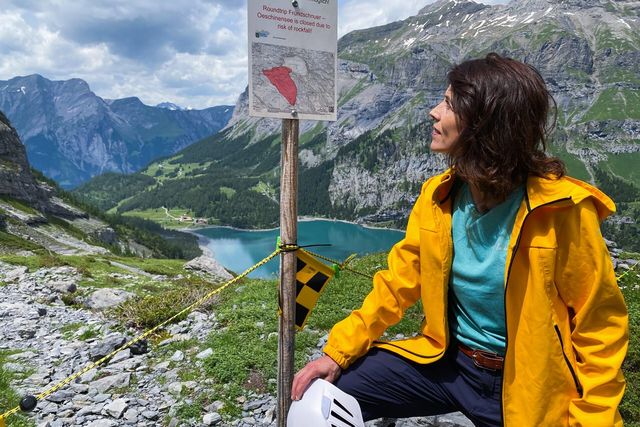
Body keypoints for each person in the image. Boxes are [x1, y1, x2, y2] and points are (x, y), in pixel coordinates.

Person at [291, 53, 629, 426]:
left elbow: (599, 325)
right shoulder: (438, 196)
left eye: (449, 104)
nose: (433, 113)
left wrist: (592, 418)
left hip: (526, 385)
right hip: (449, 364)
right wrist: (338, 351)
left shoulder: (563, 210)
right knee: (321, 401)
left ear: (487, 123)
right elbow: (399, 282)